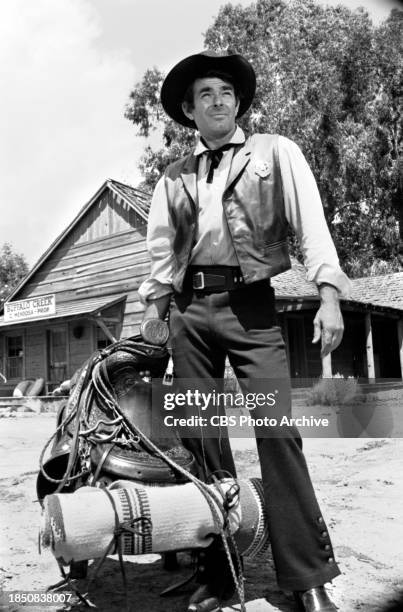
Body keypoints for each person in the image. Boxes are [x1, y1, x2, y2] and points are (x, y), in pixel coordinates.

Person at [139, 50, 351, 612]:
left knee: (278, 432)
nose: (217, 102)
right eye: (205, 94)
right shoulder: (173, 176)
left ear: (239, 104)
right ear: (189, 109)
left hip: (252, 305)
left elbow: (312, 225)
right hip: (188, 310)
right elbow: (161, 254)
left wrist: (329, 294)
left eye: (226, 93)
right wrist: (155, 313)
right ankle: (220, 571)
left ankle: (306, 576)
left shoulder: (276, 152)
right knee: (202, 440)